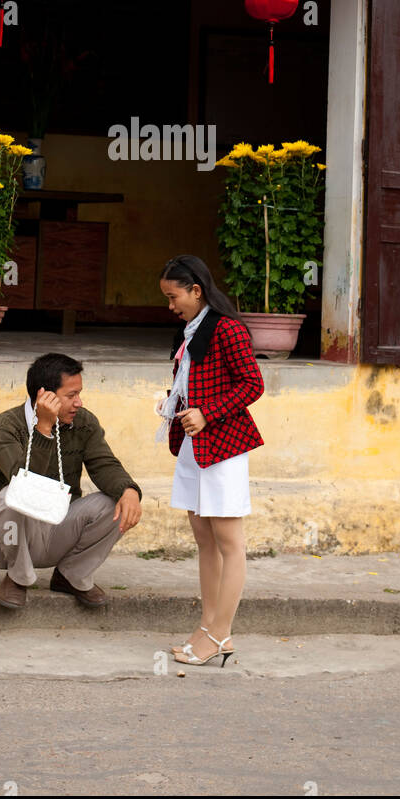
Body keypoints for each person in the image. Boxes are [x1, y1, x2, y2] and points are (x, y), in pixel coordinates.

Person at [157, 254, 265, 666]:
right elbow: (191, 384)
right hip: (193, 445)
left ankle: (221, 633)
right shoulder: (192, 329)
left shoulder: (228, 329)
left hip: (223, 448)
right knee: (204, 540)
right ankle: (206, 627)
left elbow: (252, 385)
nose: (170, 305)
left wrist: (208, 412)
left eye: (174, 296)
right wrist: (175, 405)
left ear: (196, 291)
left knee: (229, 543)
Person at [0, 352, 142, 610]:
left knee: (114, 501)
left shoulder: (83, 422)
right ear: (46, 396)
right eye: (71, 395)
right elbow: (24, 482)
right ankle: (17, 577)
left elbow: (103, 463)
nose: (79, 402)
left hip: (55, 527)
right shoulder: (5, 427)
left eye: (79, 394)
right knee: (12, 493)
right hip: (5, 538)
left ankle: (71, 576)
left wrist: (129, 490)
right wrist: (44, 427)